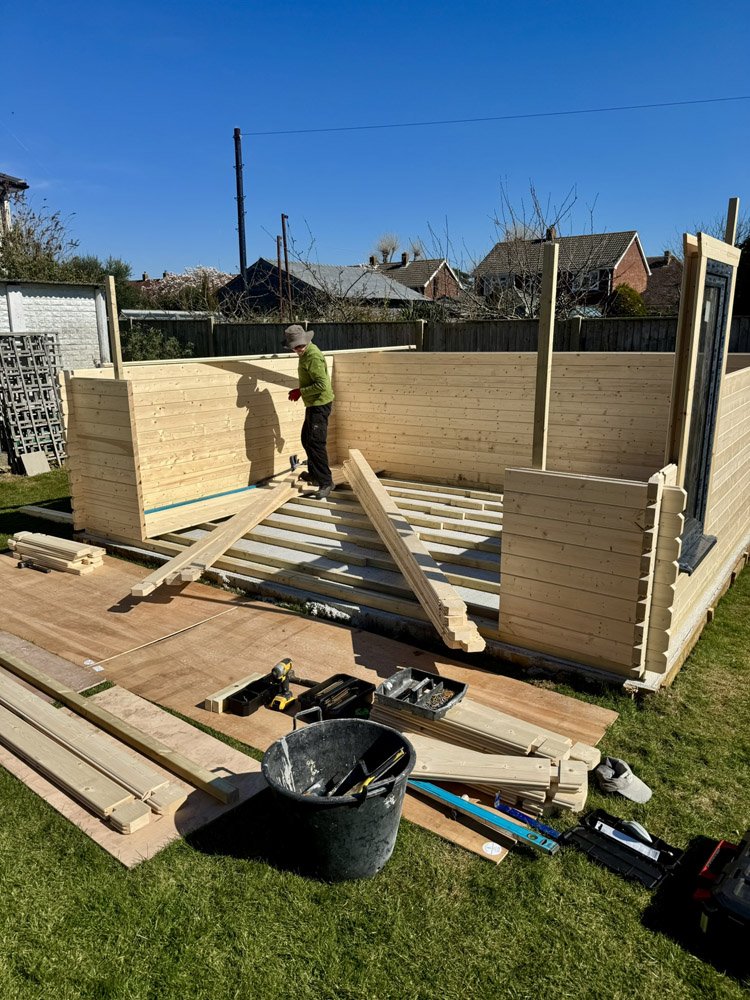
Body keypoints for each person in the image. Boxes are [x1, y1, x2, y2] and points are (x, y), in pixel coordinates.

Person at [283, 324, 334, 499]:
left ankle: (326, 482)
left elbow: (322, 385)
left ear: (306, 340)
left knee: (316, 443)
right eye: (295, 347)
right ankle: (314, 474)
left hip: (320, 404)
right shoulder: (305, 353)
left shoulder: (312, 356)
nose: (298, 349)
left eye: (300, 345)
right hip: (313, 404)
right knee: (307, 439)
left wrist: (300, 392)